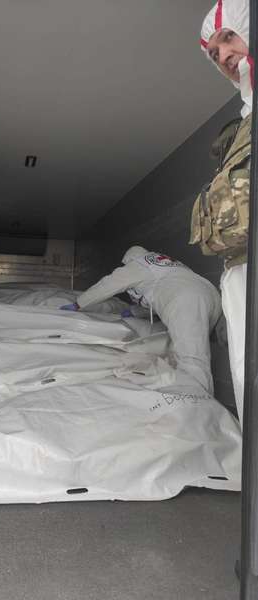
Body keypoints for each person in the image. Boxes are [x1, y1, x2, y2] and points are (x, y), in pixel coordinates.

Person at [61, 246, 222, 394]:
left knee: (192, 360)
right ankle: (188, 391)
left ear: (129, 260)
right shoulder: (165, 264)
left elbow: (108, 285)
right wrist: (134, 311)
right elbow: (159, 295)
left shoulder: (138, 264)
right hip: (211, 296)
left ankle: (197, 402)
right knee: (189, 349)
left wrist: (79, 303)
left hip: (186, 302)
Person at [200, 0, 252, 425]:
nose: (223, 56)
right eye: (214, 53)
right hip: (239, 270)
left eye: (229, 36)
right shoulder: (244, 120)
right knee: (245, 382)